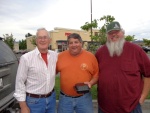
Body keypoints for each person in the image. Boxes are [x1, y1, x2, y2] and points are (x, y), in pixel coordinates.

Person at [95, 21, 150, 113]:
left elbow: (148, 75)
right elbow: (94, 74)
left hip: (131, 107)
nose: (113, 35)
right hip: (105, 106)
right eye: (110, 33)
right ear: (107, 36)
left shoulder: (136, 50)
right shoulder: (100, 53)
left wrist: (143, 97)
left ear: (123, 33)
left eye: (117, 32)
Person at [14, 28, 58, 113]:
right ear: (36, 40)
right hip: (33, 102)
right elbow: (19, 83)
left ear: (49, 40)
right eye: (40, 37)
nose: (42, 40)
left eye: (45, 37)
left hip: (51, 99)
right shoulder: (26, 58)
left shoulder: (54, 56)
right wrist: (23, 106)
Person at [56, 33, 99, 113]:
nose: (74, 45)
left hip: (84, 99)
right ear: (68, 45)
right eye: (71, 43)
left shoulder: (90, 57)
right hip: (65, 99)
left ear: (81, 43)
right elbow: (52, 73)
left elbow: (96, 75)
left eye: (76, 42)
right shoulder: (60, 57)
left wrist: (91, 83)